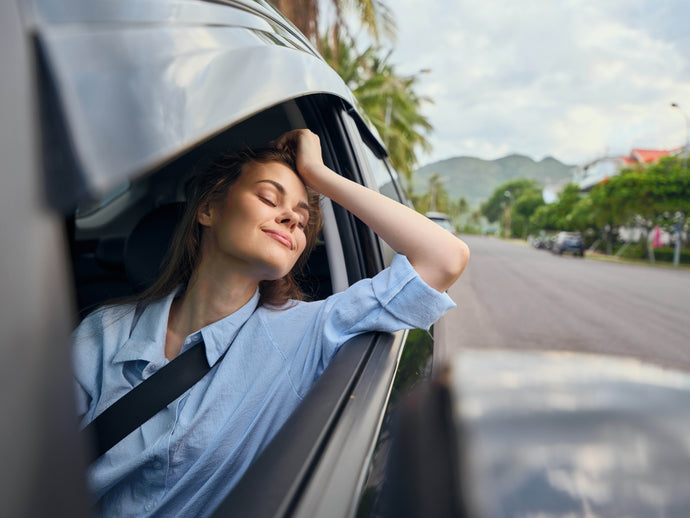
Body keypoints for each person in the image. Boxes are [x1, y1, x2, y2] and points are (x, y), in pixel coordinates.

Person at [73, 129, 470, 517]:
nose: (292, 220)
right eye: (268, 197)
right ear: (208, 209)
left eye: (303, 218)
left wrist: (318, 173)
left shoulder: (307, 332)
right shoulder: (104, 331)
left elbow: (445, 257)